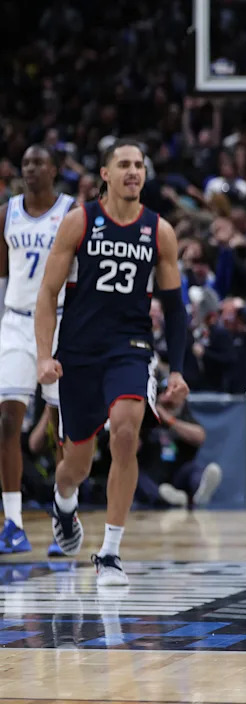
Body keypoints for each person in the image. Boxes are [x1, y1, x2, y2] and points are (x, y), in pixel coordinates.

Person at [35, 139, 190, 584]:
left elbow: (174, 307)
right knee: (76, 466)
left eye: (139, 165)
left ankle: (110, 552)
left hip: (131, 347)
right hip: (79, 352)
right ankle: (64, 502)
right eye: (123, 165)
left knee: (126, 433)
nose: (133, 172)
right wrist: (45, 356)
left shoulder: (159, 230)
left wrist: (177, 368)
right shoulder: (79, 222)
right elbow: (47, 295)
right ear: (105, 174)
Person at [0, 146, 74, 554]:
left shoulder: (70, 212)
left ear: (54, 170)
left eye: (38, 163)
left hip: (59, 322)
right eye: (25, 162)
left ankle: (66, 514)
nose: (30, 169)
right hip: (14, 322)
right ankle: (12, 522)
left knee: (64, 429)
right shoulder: (7, 212)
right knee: (8, 424)